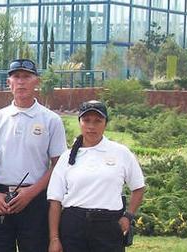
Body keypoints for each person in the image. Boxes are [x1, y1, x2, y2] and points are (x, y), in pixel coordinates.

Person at [0, 58, 67, 252]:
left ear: (37, 81)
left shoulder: (50, 120)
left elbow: (58, 164)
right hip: (0, 199)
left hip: (35, 199)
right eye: (16, 77)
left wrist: (31, 193)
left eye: (27, 77)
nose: (21, 82)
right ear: (8, 82)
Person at [47, 100, 145, 252]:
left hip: (108, 227)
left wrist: (128, 216)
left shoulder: (121, 153)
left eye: (97, 121)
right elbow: (55, 201)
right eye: (86, 120)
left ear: (105, 123)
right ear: (79, 122)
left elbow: (138, 187)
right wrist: (54, 238)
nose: (91, 126)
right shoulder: (67, 157)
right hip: (73, 226)